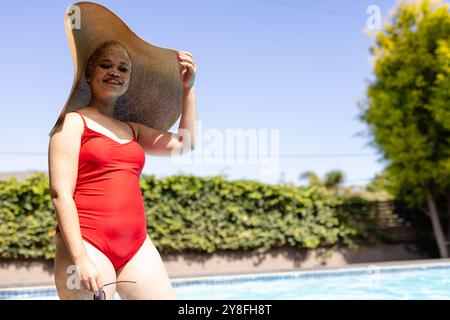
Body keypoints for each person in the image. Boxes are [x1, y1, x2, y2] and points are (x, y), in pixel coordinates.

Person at [48, 40, 197, 300]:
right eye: (105, 65)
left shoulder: (133, 130)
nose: (115, 71)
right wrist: (80, 258)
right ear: (88, 73)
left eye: (123, 68)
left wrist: (188, 89)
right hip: (87, 243)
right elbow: (61, 193)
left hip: (136, 245)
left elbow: (185, 143)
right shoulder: (73, 123)